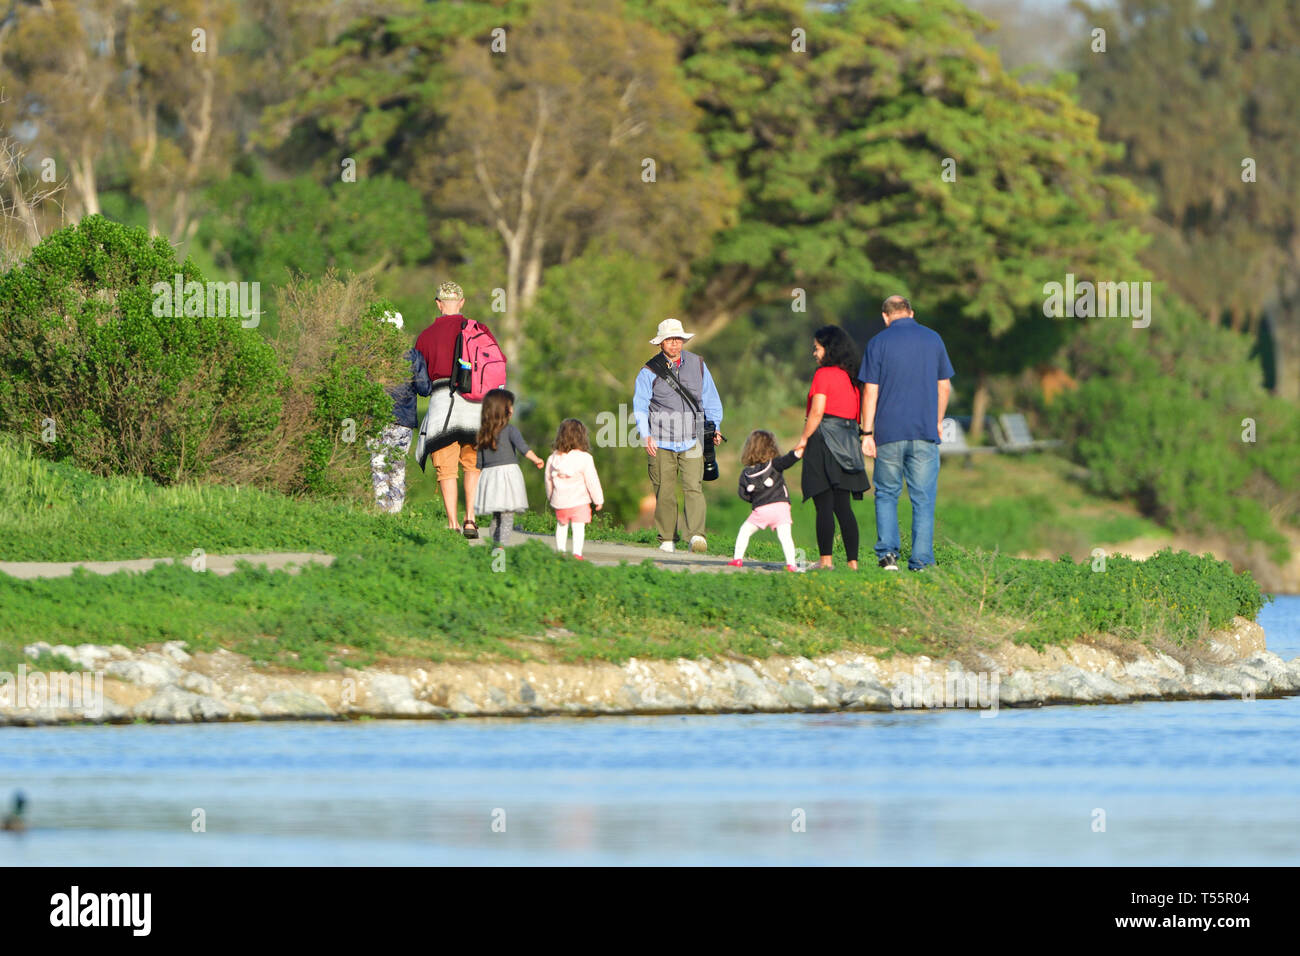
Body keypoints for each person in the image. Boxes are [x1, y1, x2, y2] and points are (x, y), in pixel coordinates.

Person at [859, 295, 954, 571]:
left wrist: (867, 432)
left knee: (887, 493)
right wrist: (937, 420)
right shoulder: (933, 339)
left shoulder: (877, 343)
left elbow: (870, 391)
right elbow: (944, 386)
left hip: (888, 433)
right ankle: (922, 561)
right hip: (924, 431)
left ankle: (888, 556)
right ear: (911, 312)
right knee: (923, 498)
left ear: (885, 316)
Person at [413, 281, 502, 538]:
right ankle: (470, 519)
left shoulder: (425, 336)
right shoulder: (479, 329)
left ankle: (452, 522)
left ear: (438, 304)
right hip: (476, 406)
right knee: (472, 466)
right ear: (461, 303)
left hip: (443, 406)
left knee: (446, 468)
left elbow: (420, 379)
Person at [632, 318, 724, 554]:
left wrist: (715, 426)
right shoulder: (648, 371)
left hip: (692, 438)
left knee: (694, 487)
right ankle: (667, 538)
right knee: (664, 490)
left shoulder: (698, 364)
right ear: (661, 343)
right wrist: (646, 435)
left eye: (678, 339)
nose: (675, 344)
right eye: (670, 340)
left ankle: (696, 536)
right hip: (661, 439)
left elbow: (710, 398)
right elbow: (640, 406)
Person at [795, 325, 869, 570]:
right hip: (848, 441)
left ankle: (826, 561)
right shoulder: (853, 377)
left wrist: (804, 439)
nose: (814, 353)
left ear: (829, 349)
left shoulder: (823, 375)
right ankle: (853, 563)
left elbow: (817, 411)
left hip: (824, 440)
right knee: (843, 506)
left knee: (823, 503)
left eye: (817, 348)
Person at [367, 310, 432, 514]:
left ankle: (380, 512)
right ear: (400, 330)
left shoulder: (367, 355)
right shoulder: (412, 356)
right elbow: (424, 389)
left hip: (374, 418)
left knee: (378, 466)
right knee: (397, 467)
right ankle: (394, 515)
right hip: (402, 420)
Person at [473, 388, 543, 548]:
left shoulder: (483, 433)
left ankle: (493, 547)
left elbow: (479, 462)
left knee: (496, 518)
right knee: (507, 517)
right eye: (510, 406)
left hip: (489, 478)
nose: (512, 409)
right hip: (507, 477)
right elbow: (523, 448)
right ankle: (500, 549)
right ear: (502, 409)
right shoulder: (511, 430)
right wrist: (537, 459)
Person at [728, 429, 803, 571]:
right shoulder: (774, 464)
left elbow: (743, 494)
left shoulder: (746, 473)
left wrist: (755, 498)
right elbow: (788, 460)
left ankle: (737, 559)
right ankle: (791, 564)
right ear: (772, 447)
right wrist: (798, 452)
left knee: (744, 531)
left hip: (762, 509)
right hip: (781, 507)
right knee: (785, 537)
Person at [544, 418, 605, 560]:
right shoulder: (585, 458)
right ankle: (577, 553)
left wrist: (551, 496)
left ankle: (560, 552)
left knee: (561, 526)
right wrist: (598, 499)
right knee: (578, 528)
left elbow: (548, 479)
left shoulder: (553, 458)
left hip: (560, 500)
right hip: (579, 501)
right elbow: (592, 481)